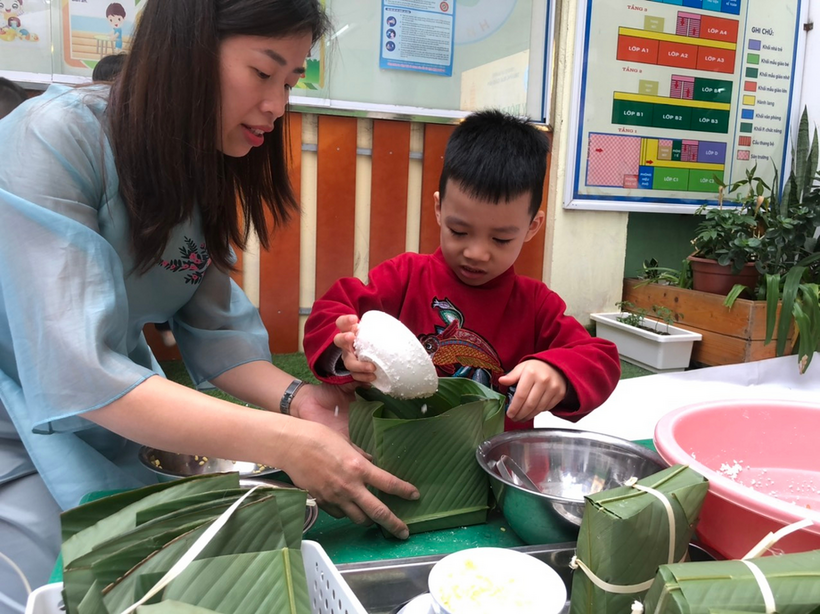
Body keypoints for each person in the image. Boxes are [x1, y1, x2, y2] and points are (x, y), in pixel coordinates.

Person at [0, 1, 418, 610]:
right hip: (17, 426)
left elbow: (216, 333)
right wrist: (285, 442)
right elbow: (78, 372)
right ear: (185, 51)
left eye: (290, 82)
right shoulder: (50, 139)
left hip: (125, 416)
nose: (277, 105)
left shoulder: (197, 165)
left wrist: (300, 401)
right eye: (263, 72)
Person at [303, 110, 621, 430]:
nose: (476, 253)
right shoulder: (405, 277)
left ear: (532, 227)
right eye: (459, 231)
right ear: (439, 209)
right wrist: (345, 346)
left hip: (496, 454)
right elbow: (330, 310)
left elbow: (601, 358)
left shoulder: (536, 305)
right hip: (396, 446)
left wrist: (558, 372)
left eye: (500, 239)